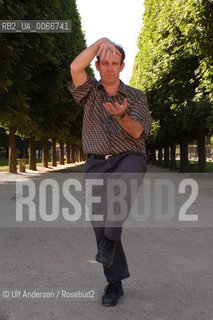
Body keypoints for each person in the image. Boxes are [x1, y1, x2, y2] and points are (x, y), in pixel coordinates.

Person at [68, 37, 151, 307]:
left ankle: (110, 241)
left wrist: (122, 116)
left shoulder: (136, 96)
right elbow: (74, 68)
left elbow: (139, 131)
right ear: (98, 65)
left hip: (129, 157)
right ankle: (114, 283)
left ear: (122, 66)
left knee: (123, 185)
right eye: (105, 62)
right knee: (100, 224)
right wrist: (101, 42)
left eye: (115, 62)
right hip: (96, 163)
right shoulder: (89, 91)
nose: (110, 67)